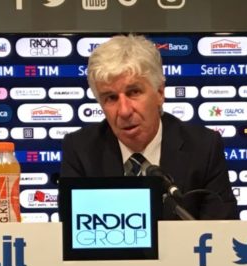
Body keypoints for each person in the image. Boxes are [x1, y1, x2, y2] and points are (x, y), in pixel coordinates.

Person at [61, 35, 237, 220]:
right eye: (111, 98)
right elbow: (73, 231)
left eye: (134, 92)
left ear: (160, 93)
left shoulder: (203, 148)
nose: (124, 111)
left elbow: (221, 230)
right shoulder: (80, 151)